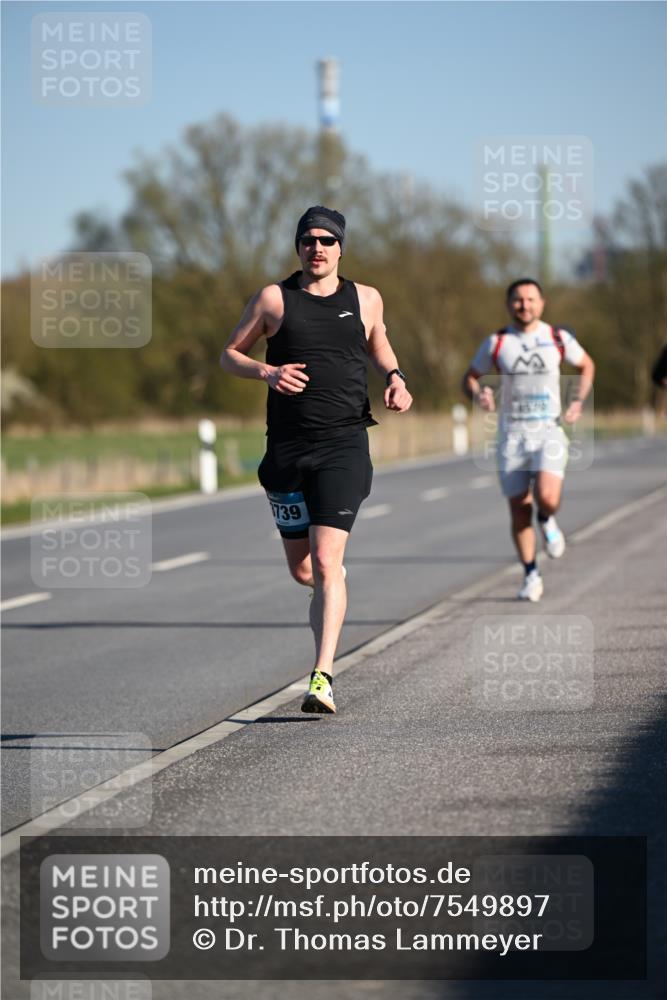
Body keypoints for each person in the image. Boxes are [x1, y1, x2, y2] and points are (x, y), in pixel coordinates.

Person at [221, 206, 412, 712]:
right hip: (286, 449)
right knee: (305, 570)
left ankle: (322, 677)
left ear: (341, 247)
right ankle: (331, 590)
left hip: (343, 445)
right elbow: (229, 354)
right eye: (309, 240)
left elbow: (378, 340)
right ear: (298, 247)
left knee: (327, 560)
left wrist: (395, 378)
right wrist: (267, 372)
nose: (318, 248)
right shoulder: (273, 298)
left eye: (328, 240)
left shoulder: (365, 298)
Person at [462, 278, 595, 602]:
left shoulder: (557, 338)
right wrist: (479, 394)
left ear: (542, 303)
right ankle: (531, 574)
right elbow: (470, 378)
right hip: (512, 435)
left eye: (531, 299)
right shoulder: (497, 342)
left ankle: (547, 519)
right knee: (519, 508)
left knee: (546, 497)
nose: (525, 305)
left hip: (548, 430)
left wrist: (578, 401)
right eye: (518, 300)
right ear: (509, 304)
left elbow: (586, 365)